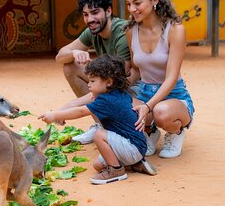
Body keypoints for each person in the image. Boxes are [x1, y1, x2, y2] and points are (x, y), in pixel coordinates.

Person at [39, 55, 157, 185]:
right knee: (98, 165)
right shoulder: (118, 93)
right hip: (135, 146)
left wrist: (55, 115)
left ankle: (117, 172)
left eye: (93, 81)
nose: (88, 85)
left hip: (132, 147)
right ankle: (136, 164)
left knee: (99, 135)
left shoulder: (106, 101)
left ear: (108, 82)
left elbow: (81, 111)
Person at [125, 0, 195, 159]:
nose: (132, 9)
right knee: (121, 106)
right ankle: (150, 131)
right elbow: (136, 70)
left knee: (161, 112)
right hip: (145, 92)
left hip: (174, 95)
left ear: (155, 0)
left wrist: (148, 106)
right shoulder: (131, 31)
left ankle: (175, 132)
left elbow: (171, 79)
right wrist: (117, 89)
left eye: (137, 3)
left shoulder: (175, 29)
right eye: (128, 4)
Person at [55, 0, 132, 144]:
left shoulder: (122, 31)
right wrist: (74, 53)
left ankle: (126, 128)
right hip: (112, 84)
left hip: (132, 89)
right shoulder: (92, 31)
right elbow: (60, 56)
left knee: (106, 82)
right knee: (70, 66)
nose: (90, 19)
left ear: (108, 11)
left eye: (95, 12)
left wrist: (70, 107)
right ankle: (101, 125)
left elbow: (117, 81)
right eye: (85, 14)